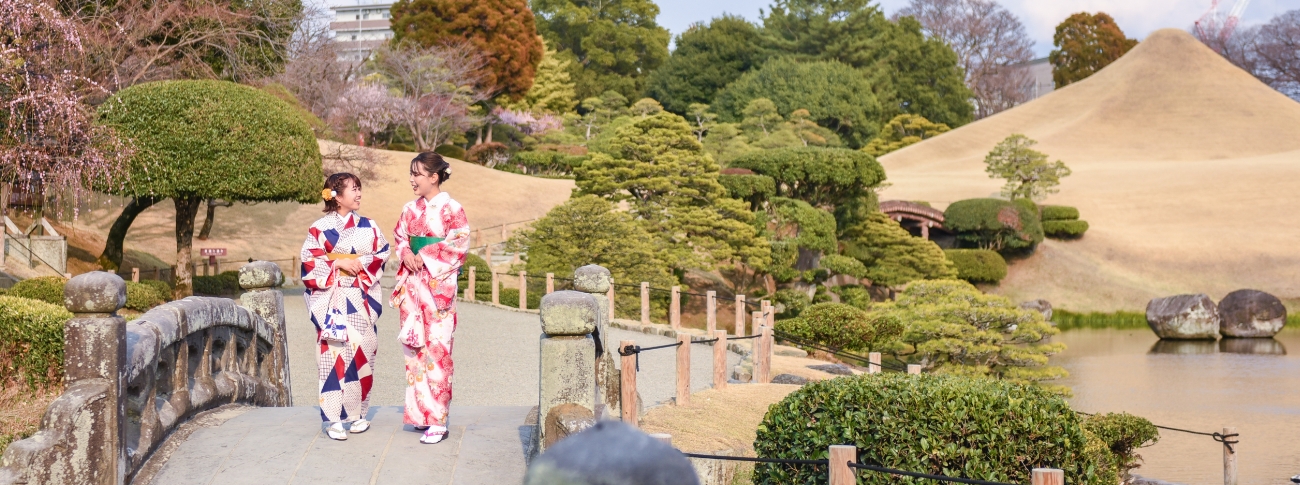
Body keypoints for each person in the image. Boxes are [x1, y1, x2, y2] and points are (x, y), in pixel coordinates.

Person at [300, 172, 390, 441]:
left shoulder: (369, 225)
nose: (359, 194)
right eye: (354, 189)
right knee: (333, 355)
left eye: (359, 188)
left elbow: (382, 252)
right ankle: (332, 419)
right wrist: (337, 263)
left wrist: (360, 264)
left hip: (360, 297)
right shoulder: (318, 228)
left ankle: (357, 414)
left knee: (364, 351)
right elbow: (307, 264)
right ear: (336, 196)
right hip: (334, 299)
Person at [391, 152, 469, 444]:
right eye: (411, 174)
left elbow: (459, 244)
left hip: (438, 289)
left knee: (438, 351)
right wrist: (407, 253)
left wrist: (423, 255)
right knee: (414, 351)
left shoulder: (452, 208)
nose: (412, 179)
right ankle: (420, 414)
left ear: (434, 177)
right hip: (412, 287)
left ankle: (438, 419)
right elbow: (400, 238)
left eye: (418, 174)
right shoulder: (409, 209)